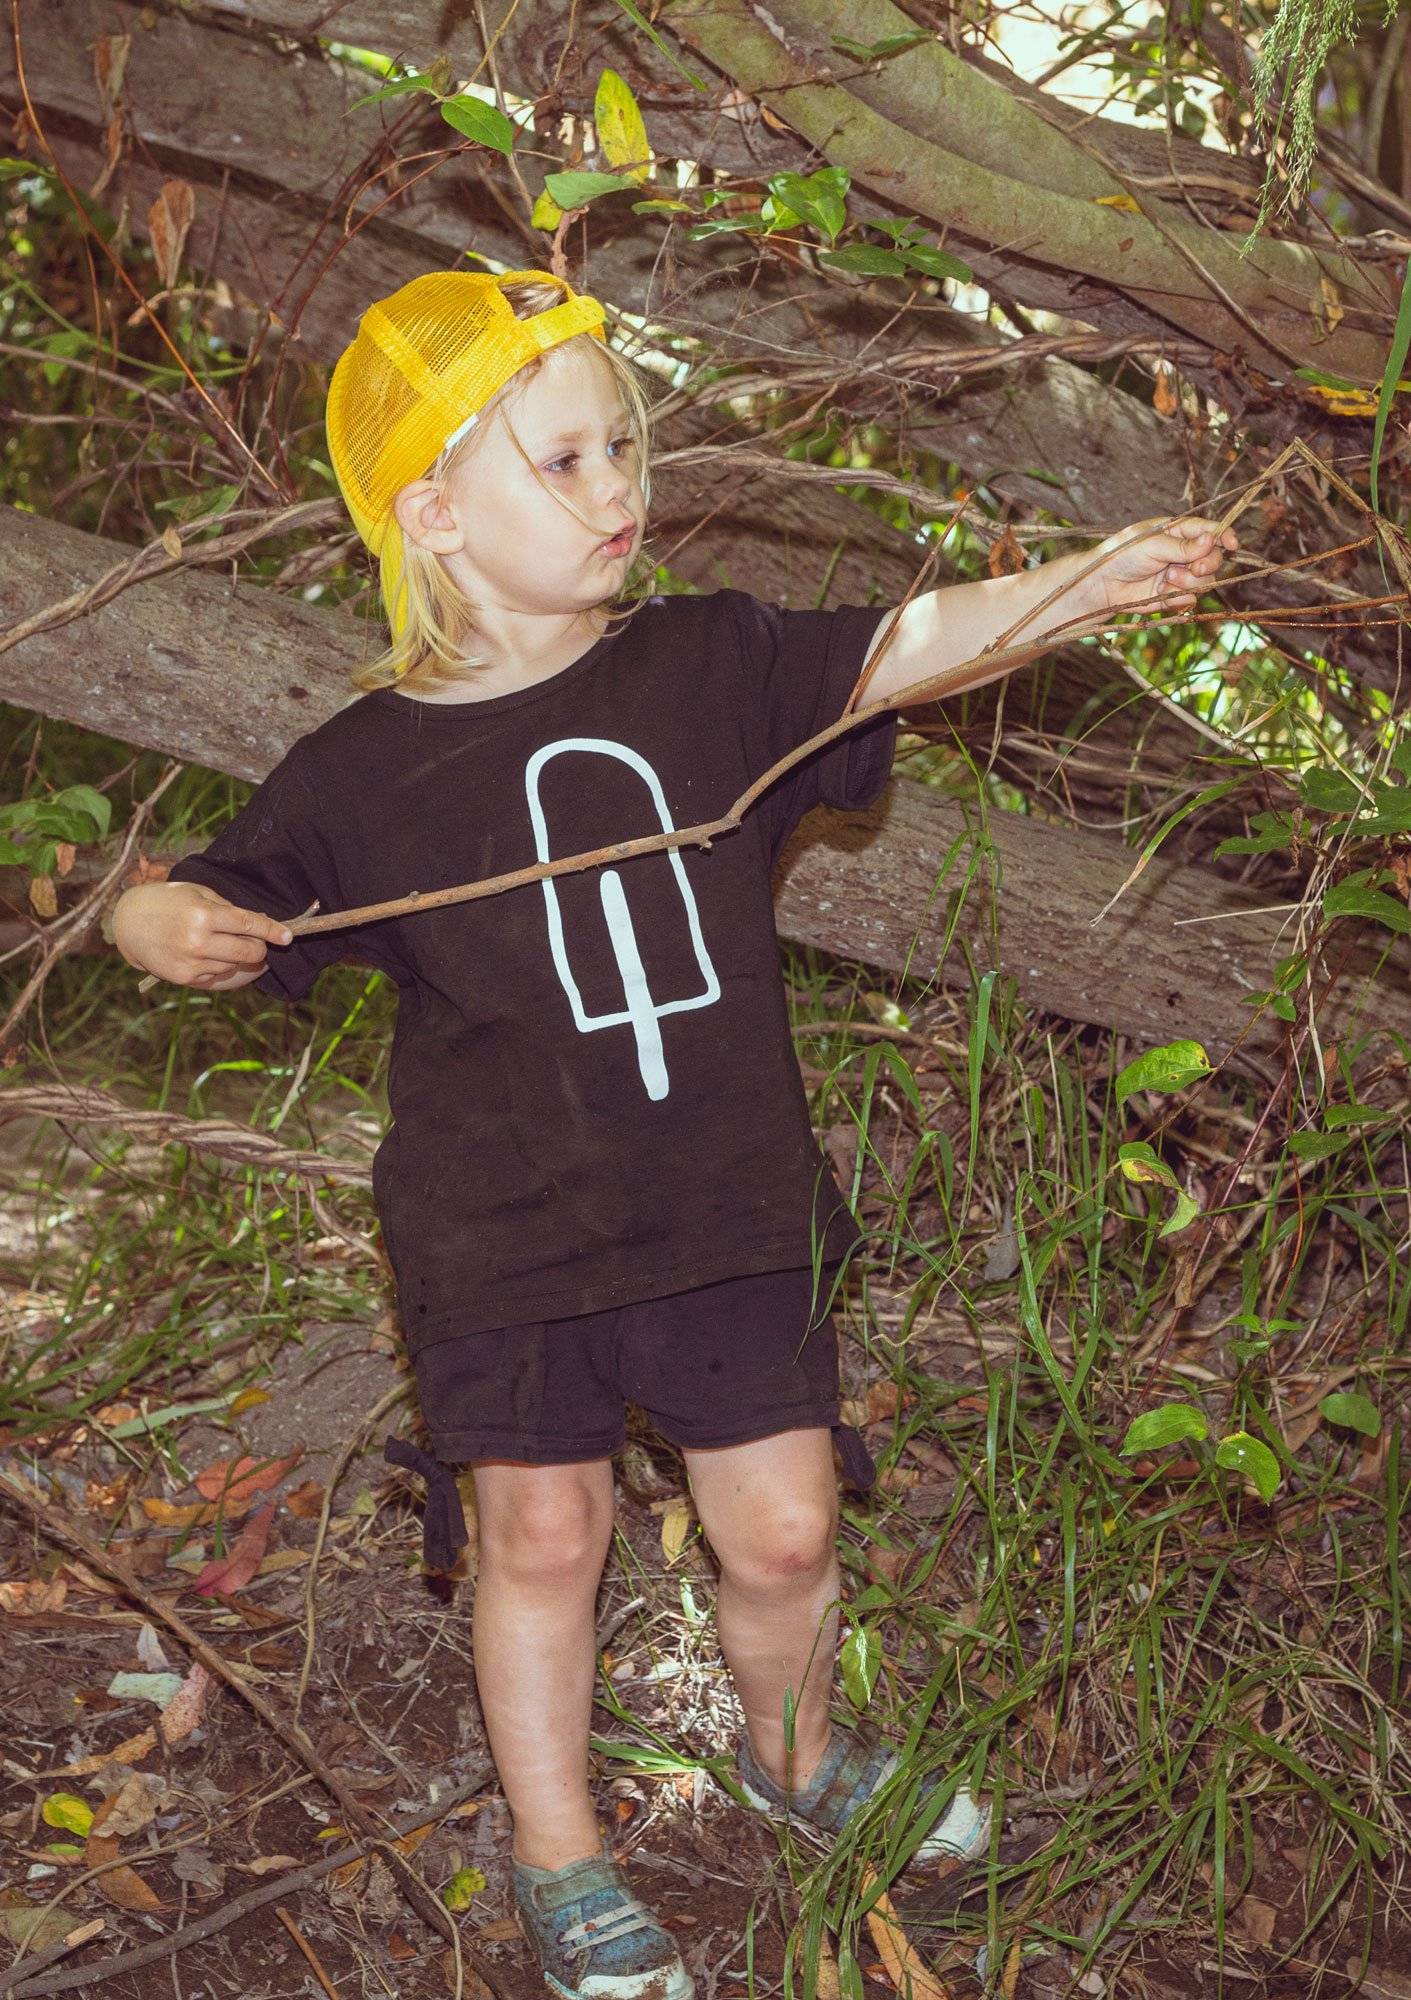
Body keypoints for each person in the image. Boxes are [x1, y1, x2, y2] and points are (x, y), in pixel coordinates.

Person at [112, 268, 1237, 2000]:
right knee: (541, 1536)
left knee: (785, 1528)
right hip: (501, 1233)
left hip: (722, 1195)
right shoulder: (358, 771)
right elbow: (208, 900)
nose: (619, 487)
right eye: (560, 460)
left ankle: (795, 1758)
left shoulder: (713, 663)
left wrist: (1086, 588)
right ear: (433, 512)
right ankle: (561, 1851)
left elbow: (908, 645)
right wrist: (153, 924)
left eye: (624, 445)